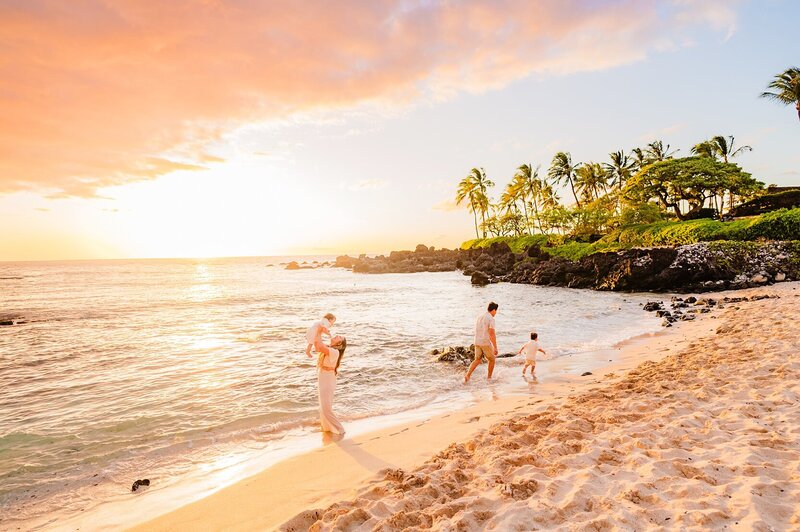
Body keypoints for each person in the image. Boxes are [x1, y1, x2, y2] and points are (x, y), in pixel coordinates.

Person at [317, 335, 347, 435]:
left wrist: (319, 330)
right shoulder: (330, 349)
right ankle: (326, 428)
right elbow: (318, 347)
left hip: (328, 379)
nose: (336, 336)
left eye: (339, 337)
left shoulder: (335, 352)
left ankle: (340, 429)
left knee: (326, 408)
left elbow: (320, 347)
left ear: (339, 343)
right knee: (322, 406)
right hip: (323, 376)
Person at [464, 302, 498, 383]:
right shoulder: (491, 319)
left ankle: (467, 375)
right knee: (492, 360)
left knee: (477, 360)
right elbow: (492, 333)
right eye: (496, 311)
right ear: (493, 310)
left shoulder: (480, 317)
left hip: (477, 341)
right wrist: (495, 347)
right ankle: (489, 378)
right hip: (485, 342)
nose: (496, 313)